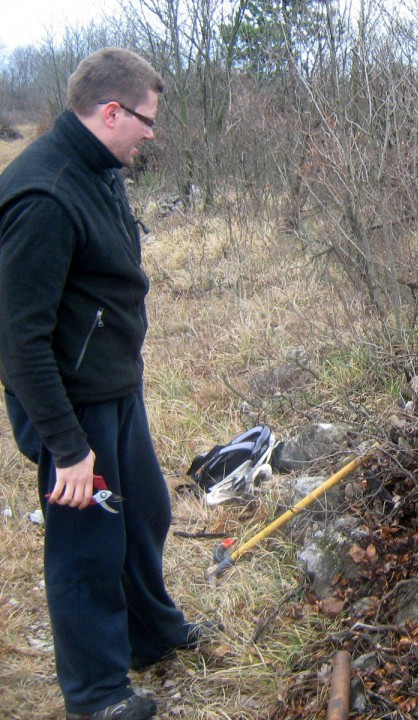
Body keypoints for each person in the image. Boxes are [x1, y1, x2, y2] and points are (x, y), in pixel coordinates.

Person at [0, 48, 212, 720]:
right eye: (145, 119)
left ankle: (149, 635)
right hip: (72, 406)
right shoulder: (45, 196)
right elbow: (17, 339)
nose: (152, 132)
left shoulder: (100, 169)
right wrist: (66, 446)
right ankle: (95, 693)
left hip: (114, 386)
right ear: (110, 111)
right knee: (87, 543)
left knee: (144, 510)